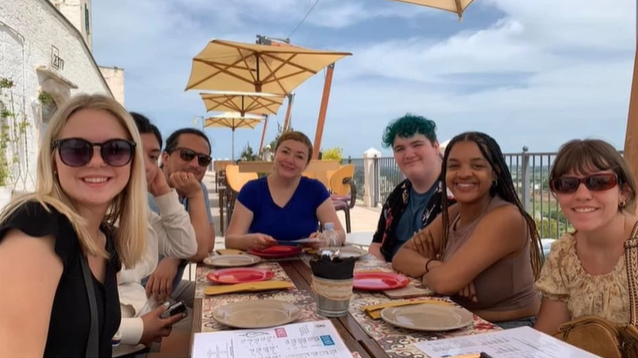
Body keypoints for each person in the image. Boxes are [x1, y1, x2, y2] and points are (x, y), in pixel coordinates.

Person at [0, 94, 148, 357]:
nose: (96, 161)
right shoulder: (36, 227)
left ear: (132, 161)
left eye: (115, 149)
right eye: (76, 149)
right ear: (54, 160)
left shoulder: (104, 239)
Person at [393, 131, 543, 329]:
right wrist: (434, 266)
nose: (464, 173)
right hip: (459, 321)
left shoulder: (506, 218)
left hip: (507, 328)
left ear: (495, 172)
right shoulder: (453, 213)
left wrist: (433, 274)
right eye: (454, 166)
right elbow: (400, 257)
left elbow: (445, 283)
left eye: (477, 166)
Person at [114, 113, 199, 357]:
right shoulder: (80, 220)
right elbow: (75, 318)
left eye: (151, 157)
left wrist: (162, 189)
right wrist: (138, 329)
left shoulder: (133, 210)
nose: (147, 166)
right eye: (132, 151)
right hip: (122, 344)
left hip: (141, 335)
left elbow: (186, 246)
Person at [535, 139, 638, 334]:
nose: (582, 194)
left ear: (623, 192)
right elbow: (549, 339)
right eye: (567, 184)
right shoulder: (564, 254)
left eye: (599, 182)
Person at [225, 131, 345, 250]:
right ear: (275, 154)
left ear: (306, 164)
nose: (290, 160)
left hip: (304, 265)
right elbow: (230, 240)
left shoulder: (315, 190)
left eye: (299, 156)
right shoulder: (251, 190)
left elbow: (340, 234)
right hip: (260, 264)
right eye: (285, 152)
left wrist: (325, 239)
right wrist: (249, 241)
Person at [145, 128, 215, 308]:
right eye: (187, 155)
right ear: (165, 158)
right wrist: (196, 195)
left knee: (226, 298)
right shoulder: (145, 193)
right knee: (209, 326)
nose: (195, 164)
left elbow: (206, 246)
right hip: (143, 298)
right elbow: (199, 250)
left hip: (171, 289)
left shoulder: (196, 188)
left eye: (203, 159)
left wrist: (174, 259)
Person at [369, 114, 452, 262]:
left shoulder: (453, 194)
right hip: (392, 278)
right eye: (400, 148)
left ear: (435, 147)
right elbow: (376, 244)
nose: (408, 154)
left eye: (417, 145)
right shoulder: (399, 194)